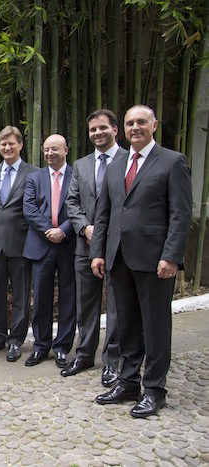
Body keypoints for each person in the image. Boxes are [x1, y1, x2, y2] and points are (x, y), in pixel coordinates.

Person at [92, 105, 192, 418]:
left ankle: (154, 389)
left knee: (155, 325)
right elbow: (104, 212)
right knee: (127, 325)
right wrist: (98, 252)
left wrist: (171, 256)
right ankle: (128, 381)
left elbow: (180, 213)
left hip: (155, 261)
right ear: (123, 128)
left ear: (154, 125)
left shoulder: (172, 161)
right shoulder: (116, 162)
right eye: (130, 123)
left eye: (142, 122)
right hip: (119, 258)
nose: (136, 127)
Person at [63, 109, 126, 385]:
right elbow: (72, 202)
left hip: (118, 246)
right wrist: (86, 228)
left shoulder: (129, 160)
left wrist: (106, 233)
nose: (97, 133)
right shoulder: (81, 164)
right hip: (85, 243)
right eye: (93, 130)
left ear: (115, 130)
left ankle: (113, 360)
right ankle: (84, 353)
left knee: (115, 304)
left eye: (103, 128)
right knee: (85, 303)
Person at [0, 126, 35, 363]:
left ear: (20, 145)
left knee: (21, 294)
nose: (7, 148)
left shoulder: (33, 173)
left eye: (11, 144)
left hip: (21, 242)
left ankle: (16, 341)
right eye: (3, 144)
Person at [22, 134, 76, 369]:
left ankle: (62, 347)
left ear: (66, 150)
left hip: (69, 245)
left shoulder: (78, 176)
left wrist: (63, 230)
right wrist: (50, 231)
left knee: (68, 298)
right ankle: (41, 346)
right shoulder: (35, 178)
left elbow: (82, 207)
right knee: (41, 298)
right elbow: (29, 209)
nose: (50, 154)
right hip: (41, 245)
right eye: (46, 150)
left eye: (55, 149)